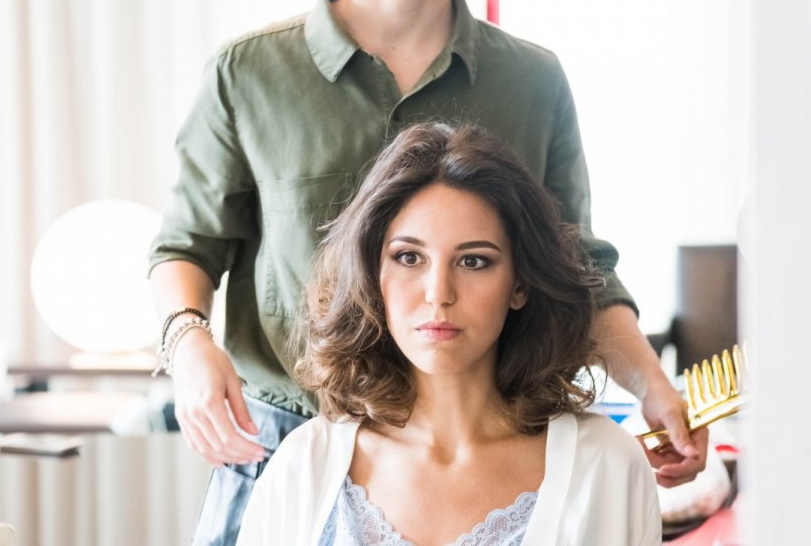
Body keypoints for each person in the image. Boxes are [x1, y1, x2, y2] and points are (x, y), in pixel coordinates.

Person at [149, 0, 703, 543]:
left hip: (484, 451)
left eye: (472, 260)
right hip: (278, 442)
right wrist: (187, 347)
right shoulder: (248, 72)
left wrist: (652, 386)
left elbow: (578, 264)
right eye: (408, 257)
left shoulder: (533, 83)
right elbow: (187, 245)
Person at [236, 122, 662, 545]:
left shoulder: (608, 465)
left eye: (473, 261)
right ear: (372, 276)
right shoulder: (302, 467)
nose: (438, 293)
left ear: (520, 285)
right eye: (408, 257)